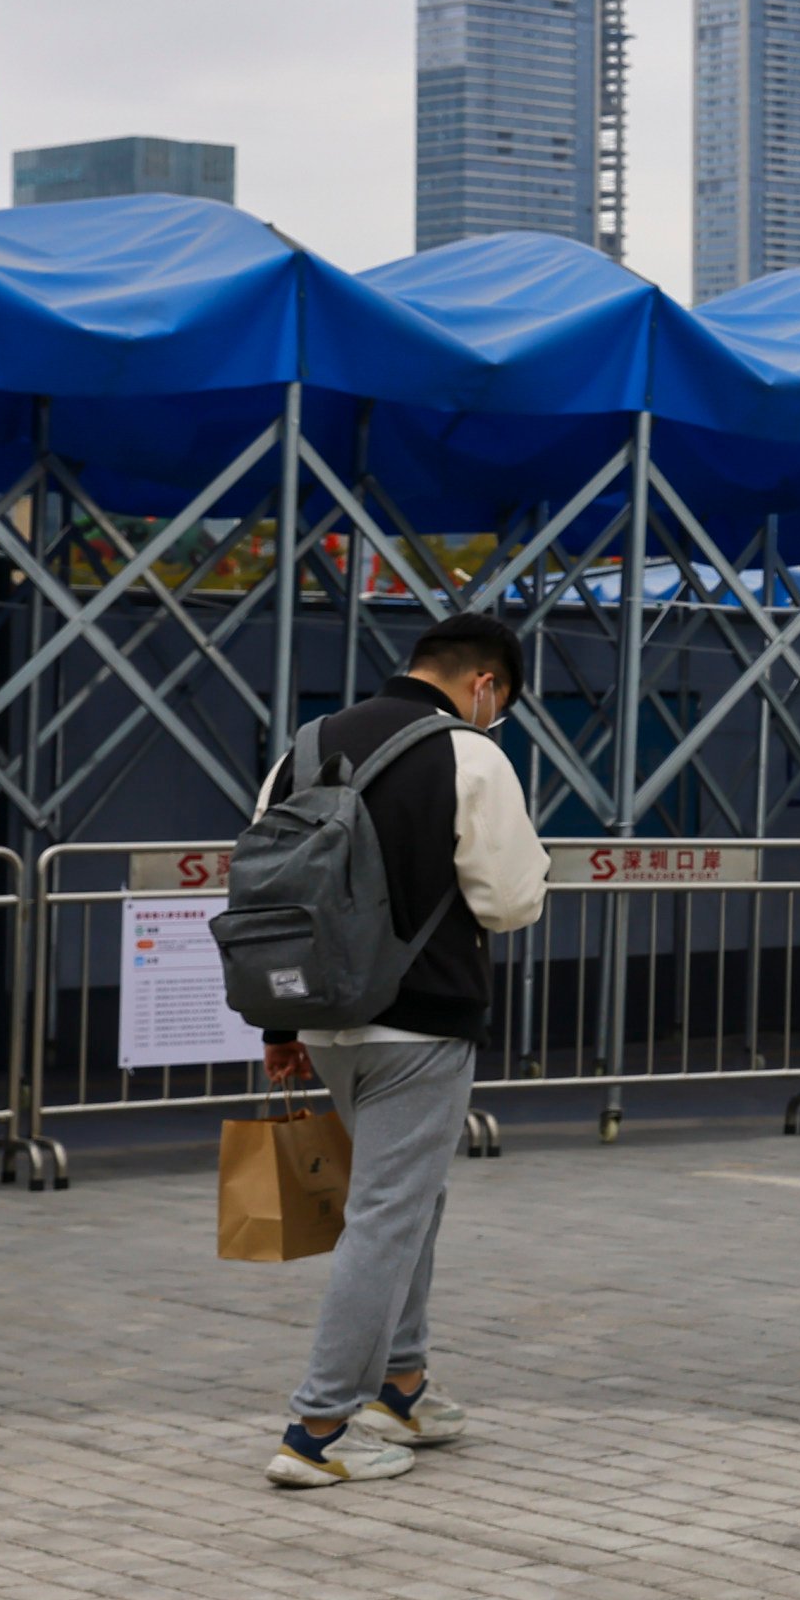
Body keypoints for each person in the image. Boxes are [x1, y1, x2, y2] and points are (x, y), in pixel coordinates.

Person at [251, 611, 550, 1490]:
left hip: (322, 1014)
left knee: (408, 1199)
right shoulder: (471, 754)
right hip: (421, 1019)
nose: (493, 720)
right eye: (499, 705)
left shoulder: (301, 750)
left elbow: (270, 884)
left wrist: (279, 1026)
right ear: (484, 683)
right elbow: (504, 899)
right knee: (386, 1212)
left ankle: (405, 1386)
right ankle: (317, 1430)